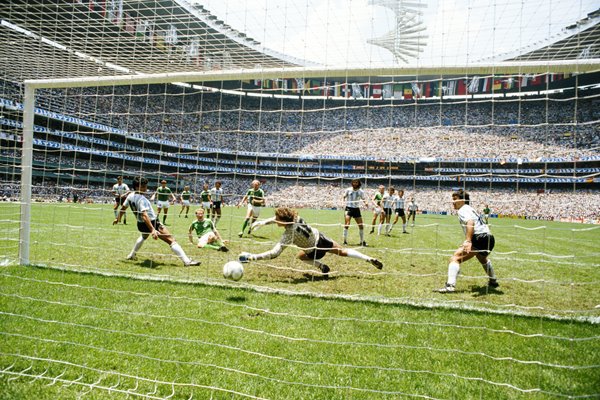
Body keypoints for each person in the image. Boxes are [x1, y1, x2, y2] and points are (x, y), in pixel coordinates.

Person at [238, 207, 383, 276]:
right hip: (321, 237)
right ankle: (368, 258)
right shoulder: (295, 218)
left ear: (284, 221)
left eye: (278, 220)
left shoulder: (289, 234)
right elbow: (279, 218)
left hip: (314, 250)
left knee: (301, 256)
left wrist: (252, 257)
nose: (276, 221)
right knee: (342, 251)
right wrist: (263, 222)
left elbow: (274, 253)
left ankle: (321, 266)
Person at [114, 176, 200, 267]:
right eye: (143, 186)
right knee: (171, 240)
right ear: (136, 187)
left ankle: (131, 255)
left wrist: (117, 218)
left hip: (140, 224)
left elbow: (123, 208)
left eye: (145, 186)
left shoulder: (130, 196)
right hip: (152, 222)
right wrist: (152, 230)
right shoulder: (142, 199)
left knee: (143, 236)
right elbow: (144, 215)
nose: (145, 188)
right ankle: (187, 261)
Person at [437, 189, 498, 293]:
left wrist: (468, 241)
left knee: (455, 258)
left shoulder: (463, 209)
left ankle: (450, 286)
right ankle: (493, 280)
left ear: (463, 200)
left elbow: (470, 222)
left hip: (479, 237)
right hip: (489, 237)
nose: (453, 202)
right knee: (481, 258)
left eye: (455, 199)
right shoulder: (470, 208)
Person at [342, 179, 369, 246]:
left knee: (361, 225)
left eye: (356, 182)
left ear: (358, 183)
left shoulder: (361, 191)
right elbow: (343, 196)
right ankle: (344, 241)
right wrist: (342, 201)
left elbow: (364, 199)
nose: (355, 183)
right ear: (352, 183)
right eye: (353, 182)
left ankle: (362, 241)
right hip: (348, 208)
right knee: (347, 224)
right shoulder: (348, 190)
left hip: (356, 209)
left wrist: (366, 203)